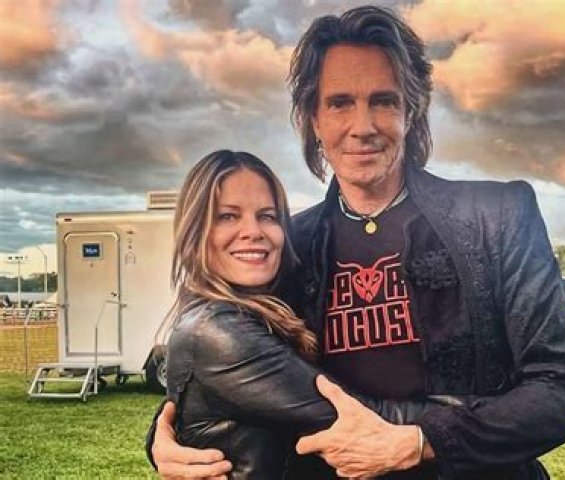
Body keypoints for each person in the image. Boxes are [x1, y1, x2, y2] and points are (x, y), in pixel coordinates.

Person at [149, 6, 565, 479]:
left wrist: (421, 441)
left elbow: (559, 389)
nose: (363, 126)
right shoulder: (286, 245)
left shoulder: (497, 217)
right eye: (340, 103)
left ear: (410, 111)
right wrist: (163, 439)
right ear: (313, 119)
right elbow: (235, 364)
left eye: (383, 101)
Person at [160, 149, 475, 479]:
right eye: (227, 216)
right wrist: (487, 421)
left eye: (267, 216)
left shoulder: (254, 311)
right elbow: (356, 416)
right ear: (194, 230)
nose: (253, 231)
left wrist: (162, 433)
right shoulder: (219, 333)